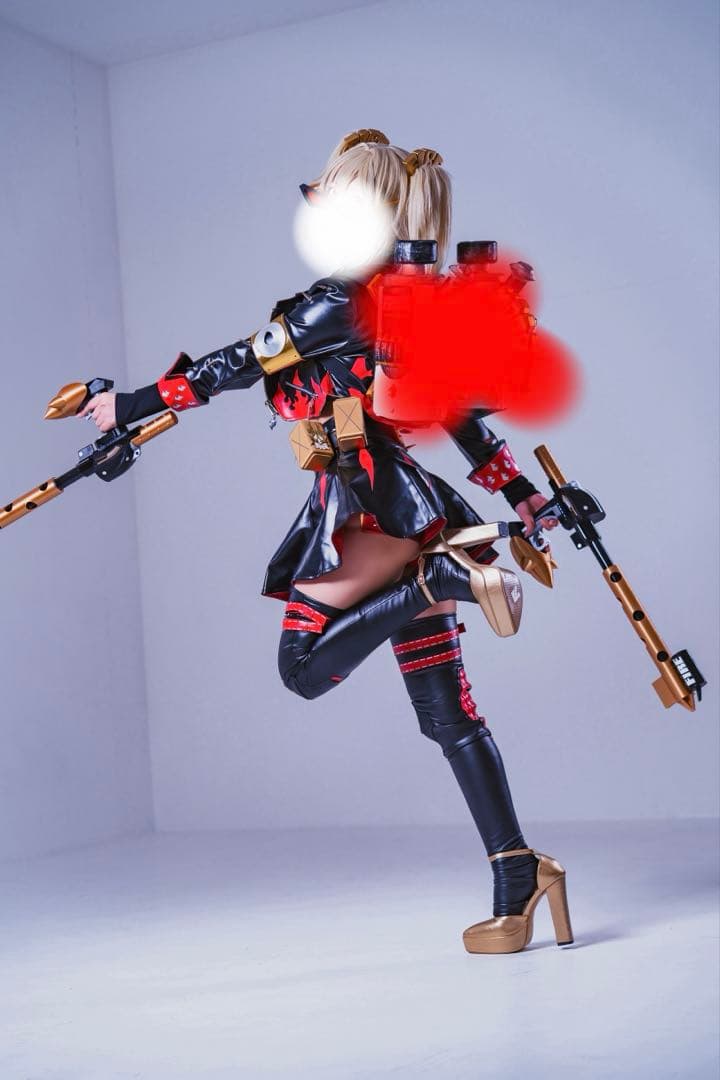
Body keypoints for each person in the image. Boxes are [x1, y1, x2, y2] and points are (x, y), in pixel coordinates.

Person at [78, 128, 573, 954]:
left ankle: (441, 582)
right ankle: (517, 872)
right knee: (448, 716)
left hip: (367, 506)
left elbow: (236, 363)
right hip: (417, 509)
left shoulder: (336, 302)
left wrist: (127, 405)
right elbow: (456, 415)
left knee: (303, 667)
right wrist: (523, 495)